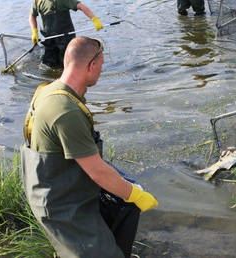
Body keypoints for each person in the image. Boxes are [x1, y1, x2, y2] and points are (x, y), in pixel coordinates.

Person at [20, 36, 158, 258]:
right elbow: (98, 173)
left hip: (49, 190)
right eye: (101, 66)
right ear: (91, 66)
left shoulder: (48, 90)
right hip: (61, 206)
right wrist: (136, 195)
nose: (101, 72)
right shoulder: (67, 112)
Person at [29, 0, 104, 68]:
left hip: (65, 38)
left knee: (67, 63)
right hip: (49, 39)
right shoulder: (38, 1)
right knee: (47, 63)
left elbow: (81, 6)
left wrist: (94, 19)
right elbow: (32, 16)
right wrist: (34, 31)